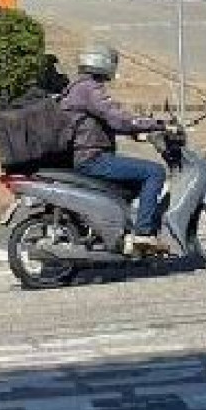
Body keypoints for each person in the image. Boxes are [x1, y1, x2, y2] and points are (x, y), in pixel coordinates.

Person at [61, 44, 167, 253]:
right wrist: (153, 124)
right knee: (154, 172)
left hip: (85, 154)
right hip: (93, 158)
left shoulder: (79, 87)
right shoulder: (90, 89)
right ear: (102, 63)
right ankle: (143, 235)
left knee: (133, 184)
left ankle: (122, 233)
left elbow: (102, 122)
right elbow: (116, 117)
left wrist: (135, 132)